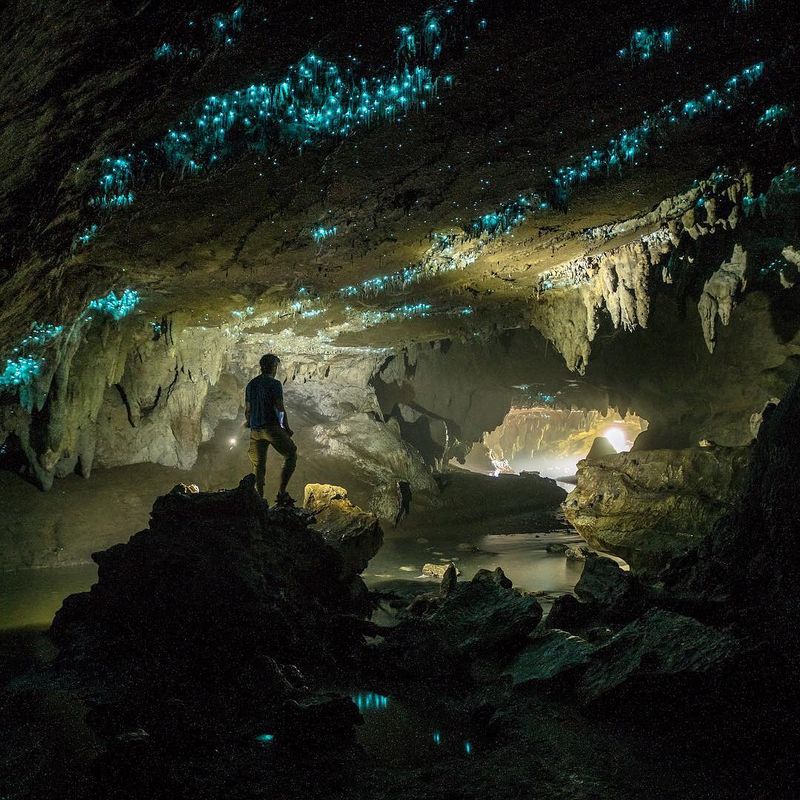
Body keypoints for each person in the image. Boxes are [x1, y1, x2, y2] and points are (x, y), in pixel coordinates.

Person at [244, 354, 297, 506]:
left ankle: (258, 499)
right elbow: (279, 408)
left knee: (258, 466)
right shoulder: (275, 384)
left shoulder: (251, 385)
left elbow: (248, 410)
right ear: (273, 367)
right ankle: (281, 493)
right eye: (275, 367)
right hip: (271, 428)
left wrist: (250, 422)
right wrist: (285, 427)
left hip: (255, 431)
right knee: (291, 453)